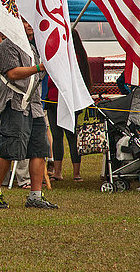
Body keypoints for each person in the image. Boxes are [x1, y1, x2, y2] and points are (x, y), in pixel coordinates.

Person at [0, 19, 58, 209]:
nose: (30, 26)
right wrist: (39, 68)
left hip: (33, 105)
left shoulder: (31, 48)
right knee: (9, 151)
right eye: (25, 23)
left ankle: (35, 195)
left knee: (39, 150)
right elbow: (13, 73)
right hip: (14, 104)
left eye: (31, 23)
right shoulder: (7, 47)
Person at [46, 29, 92, 182]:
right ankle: (57, 172)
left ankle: (76, 173)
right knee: (57, 136)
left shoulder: (75, 59)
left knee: (72, 137)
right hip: (53, 101)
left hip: (69, 102)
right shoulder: (59, 57)